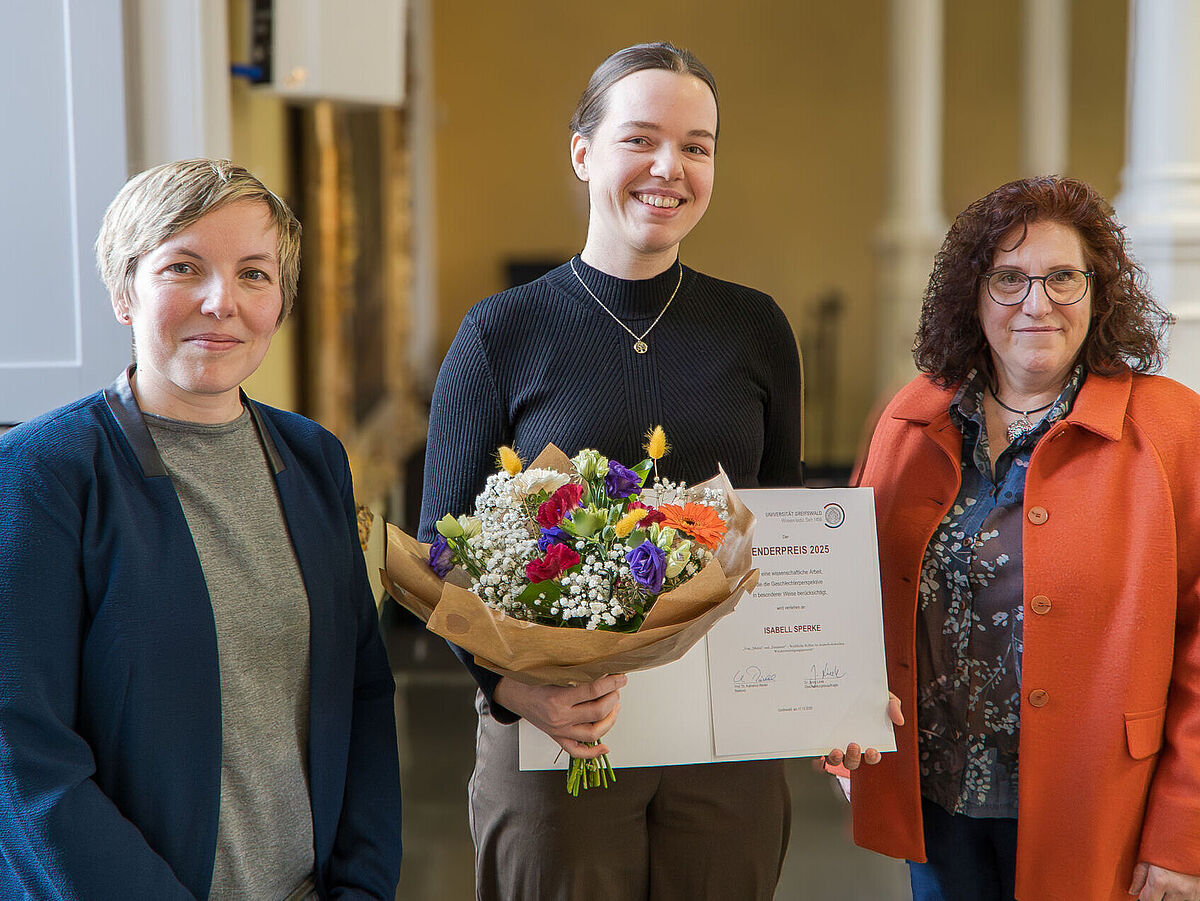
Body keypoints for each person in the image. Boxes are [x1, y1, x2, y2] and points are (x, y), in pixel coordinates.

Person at [419, 41, 896, 901]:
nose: (669, 167)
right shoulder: (501, 333)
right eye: (640, 138)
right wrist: (510, 684)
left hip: (728, 753)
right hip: (563, 738)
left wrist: (829, 691)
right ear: (582, 152)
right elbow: (436, 553)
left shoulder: (755, 329)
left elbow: (780, 534)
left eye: (698, 145)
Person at [0, 159, 403, 899]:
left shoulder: (315, 459)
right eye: (184, 267)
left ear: (280, 300)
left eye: (255, 274)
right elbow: (21, 754)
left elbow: (364, 695)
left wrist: (364, 888)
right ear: (125, 292)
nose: (223, 302)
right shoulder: (40, 473)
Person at [848, 175, 1200, 901]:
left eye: (1062, 277)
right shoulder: (908, 422)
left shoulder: (1172, 432)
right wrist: (831, 711)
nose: (1036, 303)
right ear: (973, 296)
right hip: (940, 803)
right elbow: (852, 601)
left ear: (1098, 291)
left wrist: (1183, 831)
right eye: (1009, 278)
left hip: (1102, 809)